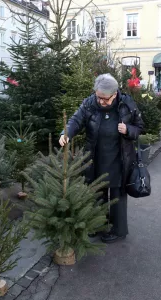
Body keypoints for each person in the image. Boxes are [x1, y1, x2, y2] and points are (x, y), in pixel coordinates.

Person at [59, 74, 144, 243]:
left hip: (120, 157)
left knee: (117, 195)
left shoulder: (126, 104)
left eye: (106, 99)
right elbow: (76, 119)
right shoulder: (89, 103)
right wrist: (66, 133)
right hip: (96, 156)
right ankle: (97, 225)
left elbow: (139, 127)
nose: (102, 102)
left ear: (115, 94)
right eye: (99, 98)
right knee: (97, 191)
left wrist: (128, 130)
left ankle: (118, 230)